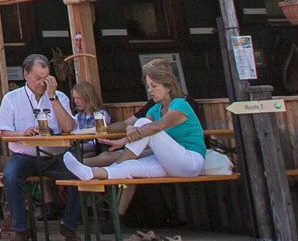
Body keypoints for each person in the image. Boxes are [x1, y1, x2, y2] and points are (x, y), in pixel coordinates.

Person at [64, 58, 207, 182]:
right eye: (148, 86)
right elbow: (135, 126)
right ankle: (90, 173)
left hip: (189, 162)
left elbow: (157, 127)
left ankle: (118, 161)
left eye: (154, 86)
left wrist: (124, 140)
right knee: (130, 167)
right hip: (169, 162)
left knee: (144, 124)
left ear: (168, 87)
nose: (150, 90)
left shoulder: (180, 104)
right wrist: (129, 129)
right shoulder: (154, 109)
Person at [0, 53, 83, 241]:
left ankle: (69, 224)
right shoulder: (12, 98)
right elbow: (4, 133)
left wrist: (52, 97)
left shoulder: (59, 97)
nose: (42, 83)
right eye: (38, 78)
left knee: (80, 175)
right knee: (10, 176)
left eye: (46, 78)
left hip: (53, 155)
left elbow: (68, 127)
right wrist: (22, 134)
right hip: (25, 155)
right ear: (26, 75)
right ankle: (20, 227)